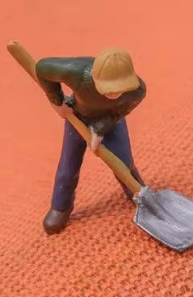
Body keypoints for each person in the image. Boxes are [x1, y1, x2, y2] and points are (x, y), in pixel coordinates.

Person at [35, 48, 146, 233]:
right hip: (77, 118)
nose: (114, 94)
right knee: (67, 168)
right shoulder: (76, 72)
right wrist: (57, 102)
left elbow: (120, 111)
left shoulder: (136, 91)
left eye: (119, 89)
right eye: (108, 89)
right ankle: (60, 207)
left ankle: (138, 192)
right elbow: (42, 68)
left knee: (124, 162)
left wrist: (100, 130)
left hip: (111, 121)